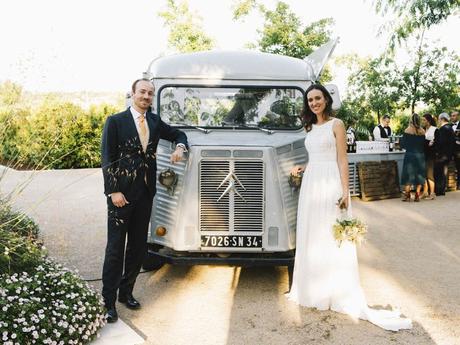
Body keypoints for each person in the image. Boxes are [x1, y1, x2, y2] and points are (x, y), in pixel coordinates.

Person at [286, 84, 412, 331]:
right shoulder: (309, 127)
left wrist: (345, 191)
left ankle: (333, 292)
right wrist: (302, 168)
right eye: (310, 100)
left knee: (330, 235)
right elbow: (315, 158)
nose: (314, 103)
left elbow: (341, 158)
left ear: (326, 99)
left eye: (317, 98)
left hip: (330, 182)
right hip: (312, 184)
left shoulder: (337, 124)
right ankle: (311, 289)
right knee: (313, 235)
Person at [101, 78, 188, 323]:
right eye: (142, 92)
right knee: (115, 249)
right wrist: (113, 191)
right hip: (120, 196)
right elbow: (107, 158)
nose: (146, 96)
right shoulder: (115, 121)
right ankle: (108, 302)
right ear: (132, 93)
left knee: (138, 247)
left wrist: (180, 147)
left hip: (145, 194)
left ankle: (125, 293)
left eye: (150, 93)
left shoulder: (154, 121)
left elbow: (178, 133)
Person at [400, 114, 426, 202]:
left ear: (411, 120)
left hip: (410, 155)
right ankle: (417, 195)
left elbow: (403, 144)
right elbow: (424, 145)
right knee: (420, 175)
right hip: (420, 155)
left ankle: (407, 194)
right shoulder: (422, 131)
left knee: (408, 175)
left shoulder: (407, 130)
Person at [434, 113, 455, 196]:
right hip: (448, 154)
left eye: (439, 119)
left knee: (439, 172)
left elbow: (441, 143)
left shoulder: (443, 129)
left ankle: (439, 190)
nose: (438, 121)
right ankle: (442, 190)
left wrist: (435, 144)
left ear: (442, 119)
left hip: (442, 154)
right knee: (444, 172)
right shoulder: (450, 128)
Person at [420, 113, 438, 200]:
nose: (422, 122)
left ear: (429, 121)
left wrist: (432, 143)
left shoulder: (435, 129)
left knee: (429, 175)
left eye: (424, 120)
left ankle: (432, 193)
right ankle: (425, 192)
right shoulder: (422, 130)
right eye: (422, 120)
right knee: (423, 175)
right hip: (423, 155)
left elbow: (438, 143)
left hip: (431, 155)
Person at [450, 110, 460, 190]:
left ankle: (459, 184)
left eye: (454, 115)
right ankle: (451, 186)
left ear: (458, 116)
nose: (452, 117)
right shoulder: (449, 126)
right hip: (450, 150)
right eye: (451, 115)